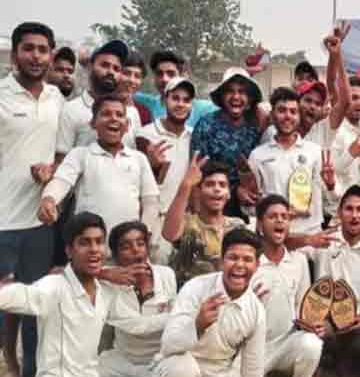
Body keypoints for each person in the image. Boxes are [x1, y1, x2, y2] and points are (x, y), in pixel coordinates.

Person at [0, 212, 165, 377]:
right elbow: (14, 295)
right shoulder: (54, 287)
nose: (94, 249)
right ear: (69, 250)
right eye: (84, 243)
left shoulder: (105, 291)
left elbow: (137, 325)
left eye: (99, 242)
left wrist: (185, 318)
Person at [152, 228, 268, 377]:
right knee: (181, 369)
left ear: (257, 265)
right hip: (179, 372)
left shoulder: (256, 311)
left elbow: (253, 370)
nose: (239, 265)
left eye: (247, 259)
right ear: (222, 260)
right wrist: (197, 325)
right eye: (233, 257)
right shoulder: (196, 288)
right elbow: (168, 345)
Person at [0, 22, 63, 377]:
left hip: (41, 220)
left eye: (43, 49)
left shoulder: (56, 97)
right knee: (6, 302)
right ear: (15, 53)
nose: (36, 56)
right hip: (3, 219)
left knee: (36, 303)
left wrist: (51, 172)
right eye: (29, 48)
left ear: (51, 55)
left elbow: (62, 151)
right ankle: (7, 368)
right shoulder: (2, 95)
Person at [292, 185, 360, 377]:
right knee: (316, 335)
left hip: (355, 319)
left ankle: (344, 355)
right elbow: (287, 245)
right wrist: (308, 240)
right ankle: (321, 366)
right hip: (324, 318)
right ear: (339, 213)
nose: (354, 215)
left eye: (359, 210)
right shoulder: (324, 241)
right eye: (349, 209)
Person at [39, 94, 160, 239]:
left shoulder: (139, 159)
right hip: (90, 242)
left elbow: (150, 201)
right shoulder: (80, 155)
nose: (113, 118)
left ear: (127, 125)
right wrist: (49, 199)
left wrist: (145, 233)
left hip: (126, 244)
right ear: (93, 123)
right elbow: (61, 182)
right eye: (106, 114)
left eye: (119, 115)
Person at [249, 195, 326, 377]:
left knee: (312, 343)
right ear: (259, 223)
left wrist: (312, 325)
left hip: (286, 342)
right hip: (253, 347)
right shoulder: (249, 261)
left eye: (284, 216)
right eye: (272, 216)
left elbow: (303, 306)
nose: (280, 221)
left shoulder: (299, 261)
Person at [98, 221, 176, 377]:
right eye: (126, 247)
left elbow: (175, 325)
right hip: (120, 358)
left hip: (155, 361)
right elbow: (136, 327)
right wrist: (103, 274)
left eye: (140, 243)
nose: (135, 250)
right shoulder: (108, 281)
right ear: (116, 256)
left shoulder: (166, 274)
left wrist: (178, 317)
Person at [248, 87, 325, 235]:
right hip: (272, 236)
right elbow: (251, 204)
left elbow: (323, 195)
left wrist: (331, 184)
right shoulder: (257, 155)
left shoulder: (315, 151)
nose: (287, 116)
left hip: (310, 234)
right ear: (272, 115)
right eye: (282, 110)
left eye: (293, 111)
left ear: (299, 116)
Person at [190, 67, 264, 219]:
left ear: (249, 99)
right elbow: (198, 173)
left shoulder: (254, 128)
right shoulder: (206, 125)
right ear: (222, 97)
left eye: (242, 92)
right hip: (212, 206)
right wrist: (234, 190)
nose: (236, 97)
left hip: (247, 210)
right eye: (230, 91)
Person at [136, 77, 195, 263]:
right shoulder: (146, 134)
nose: (181, 104)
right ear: (164, 100)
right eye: (175, 98)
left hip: (186, 220)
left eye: (186, 100)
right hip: (156, 220)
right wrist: (153, 165)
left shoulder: (194, 136)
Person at [162, 155, 246, 286]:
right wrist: (186, 185)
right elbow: (169, 234)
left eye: (222, 185)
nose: (217, 189)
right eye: (210, 184)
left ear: (229, 193)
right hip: (191, 296)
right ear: (198, 192)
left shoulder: (237, 225)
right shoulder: (187, 222)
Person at [55, 39, 141, 162]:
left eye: (116, 68)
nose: (111, 72)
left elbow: (135, 159)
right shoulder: (71, 109)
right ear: (90, 67)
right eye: (105, 65)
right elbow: (61, 161)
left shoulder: (132, 112)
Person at [134, 50, 218, 127]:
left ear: (182, 76)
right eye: (159, 74)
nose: (164, 79)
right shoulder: (147, 103)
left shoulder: (204, 108)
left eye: (171, 73)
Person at [330, 76, 360, 188]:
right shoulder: (333, 131)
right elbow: (327, 172)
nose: (359, 103)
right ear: (343, 99)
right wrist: (350, 155)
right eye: (354, 98)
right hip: (338, 197)